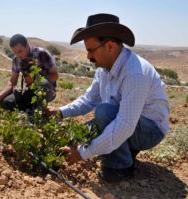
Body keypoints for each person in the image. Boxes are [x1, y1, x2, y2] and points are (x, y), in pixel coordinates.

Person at [47, 13, 170, 183]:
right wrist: (60, 112)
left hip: (150, 131)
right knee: (80, 133)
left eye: (91, 50)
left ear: (110, 46)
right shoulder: (103, 69)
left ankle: (121, 167)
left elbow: (124, 125)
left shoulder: (135, 72)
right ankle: (123, 149)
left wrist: (82, 153)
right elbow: (89, 100)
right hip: (129, 124)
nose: (88, 57)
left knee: (104, 113)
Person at [0, 34, 58, 112]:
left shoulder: (42, 54)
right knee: (5, 102)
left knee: (43, 84)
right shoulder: (16, 59)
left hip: (47, 91)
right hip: (30, 92)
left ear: (27, 45)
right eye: (15, 52)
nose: (18, 55)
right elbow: (12, 82)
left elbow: (55, 76)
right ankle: (29, 109)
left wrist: (35, 80)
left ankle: (35, 109)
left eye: (20, 51)